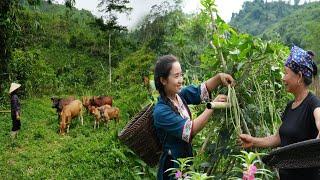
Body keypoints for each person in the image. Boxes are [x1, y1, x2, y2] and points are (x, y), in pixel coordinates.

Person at [239, 46, 320, 179]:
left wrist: (314, 150)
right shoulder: (290, 106)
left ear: (299, 76)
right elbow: (278, 138)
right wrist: (253, 141)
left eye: (286, 73)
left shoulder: (313, 104)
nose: (283, 78)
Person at [153, 55, 235, 179]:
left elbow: (200, 91)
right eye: (176, 76)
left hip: (185, 163)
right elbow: (190, 130)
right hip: (172, 168)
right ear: (163, 80)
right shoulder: (161, 111)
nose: (181, 80)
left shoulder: (178, 96)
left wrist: (219, 78)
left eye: (181, 75)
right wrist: (212, 106)